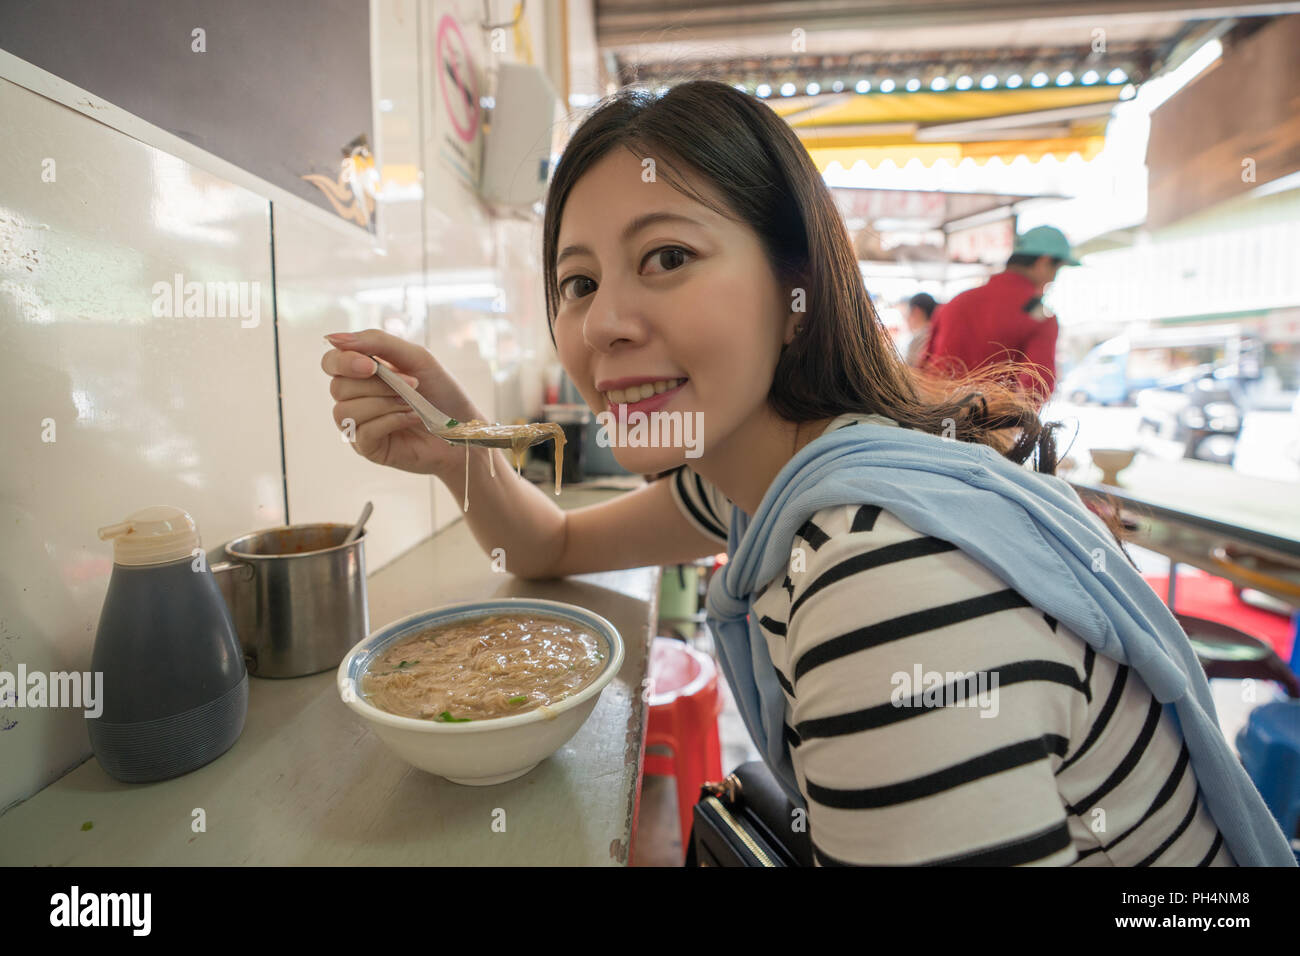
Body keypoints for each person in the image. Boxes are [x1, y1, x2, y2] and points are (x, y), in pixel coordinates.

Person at [321, 81, 1293, 867]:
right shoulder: (759, 479)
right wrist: (462, 453)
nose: (602, 321)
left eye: (665, 255)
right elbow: (549, 544)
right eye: (577, 281)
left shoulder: (879, 583)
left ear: (796, 295)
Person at [921, 226, 1078, 406]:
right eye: (1055, 271)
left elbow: (924, 367)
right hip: (990, 429)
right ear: (1043, 262)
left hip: (933, 421)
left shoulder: (955, 303)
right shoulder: (1040, 318)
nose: (1052, 279)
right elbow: (1035, 390)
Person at [902, 292, 938, 368]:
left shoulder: (919, 339)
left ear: (916, 311)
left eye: (908, 313)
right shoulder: (938, 333)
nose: (907, 318)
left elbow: (909, 373)